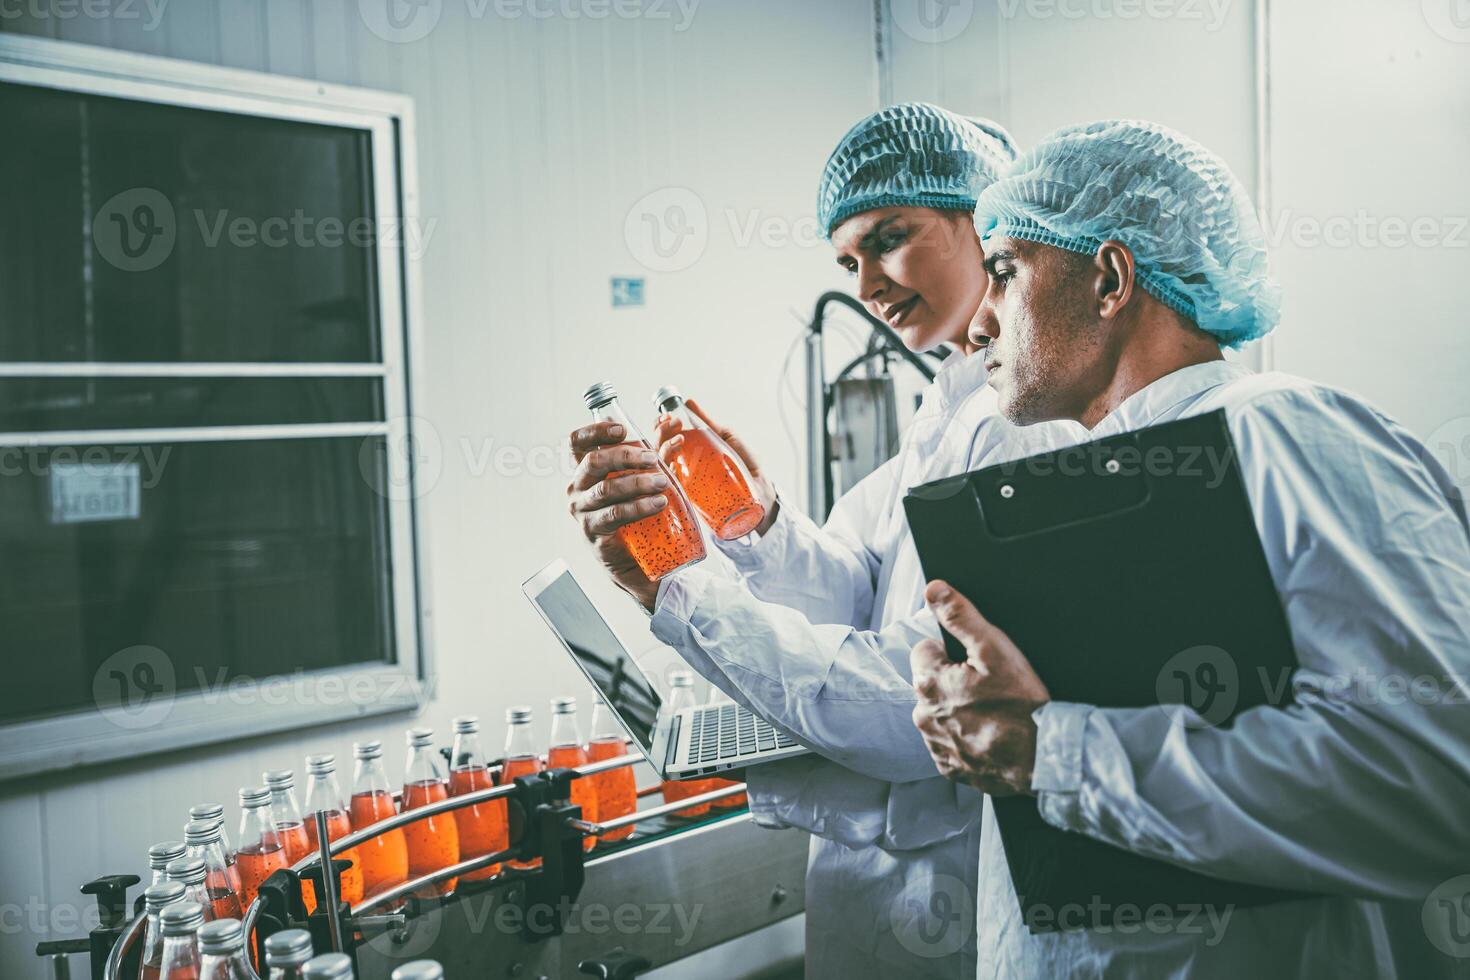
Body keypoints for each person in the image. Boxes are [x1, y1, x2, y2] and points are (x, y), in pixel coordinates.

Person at [907, 119, 1470, 978]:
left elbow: (1435, 784)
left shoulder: (1281, 430)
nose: (977, 322)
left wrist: (1054, 754)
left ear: (1109, 277)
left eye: (1005, 272)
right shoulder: (1090, 479)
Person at [566, 104, 1077, 978]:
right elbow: (863, 591)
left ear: (985, 218)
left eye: (890, 238)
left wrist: (683, 586)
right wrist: (755, 527)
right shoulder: (948, 404)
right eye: (848, 260)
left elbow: (915, 708)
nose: (867, 283)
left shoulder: (1024, 423)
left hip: (947, 883)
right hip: (884, 879)